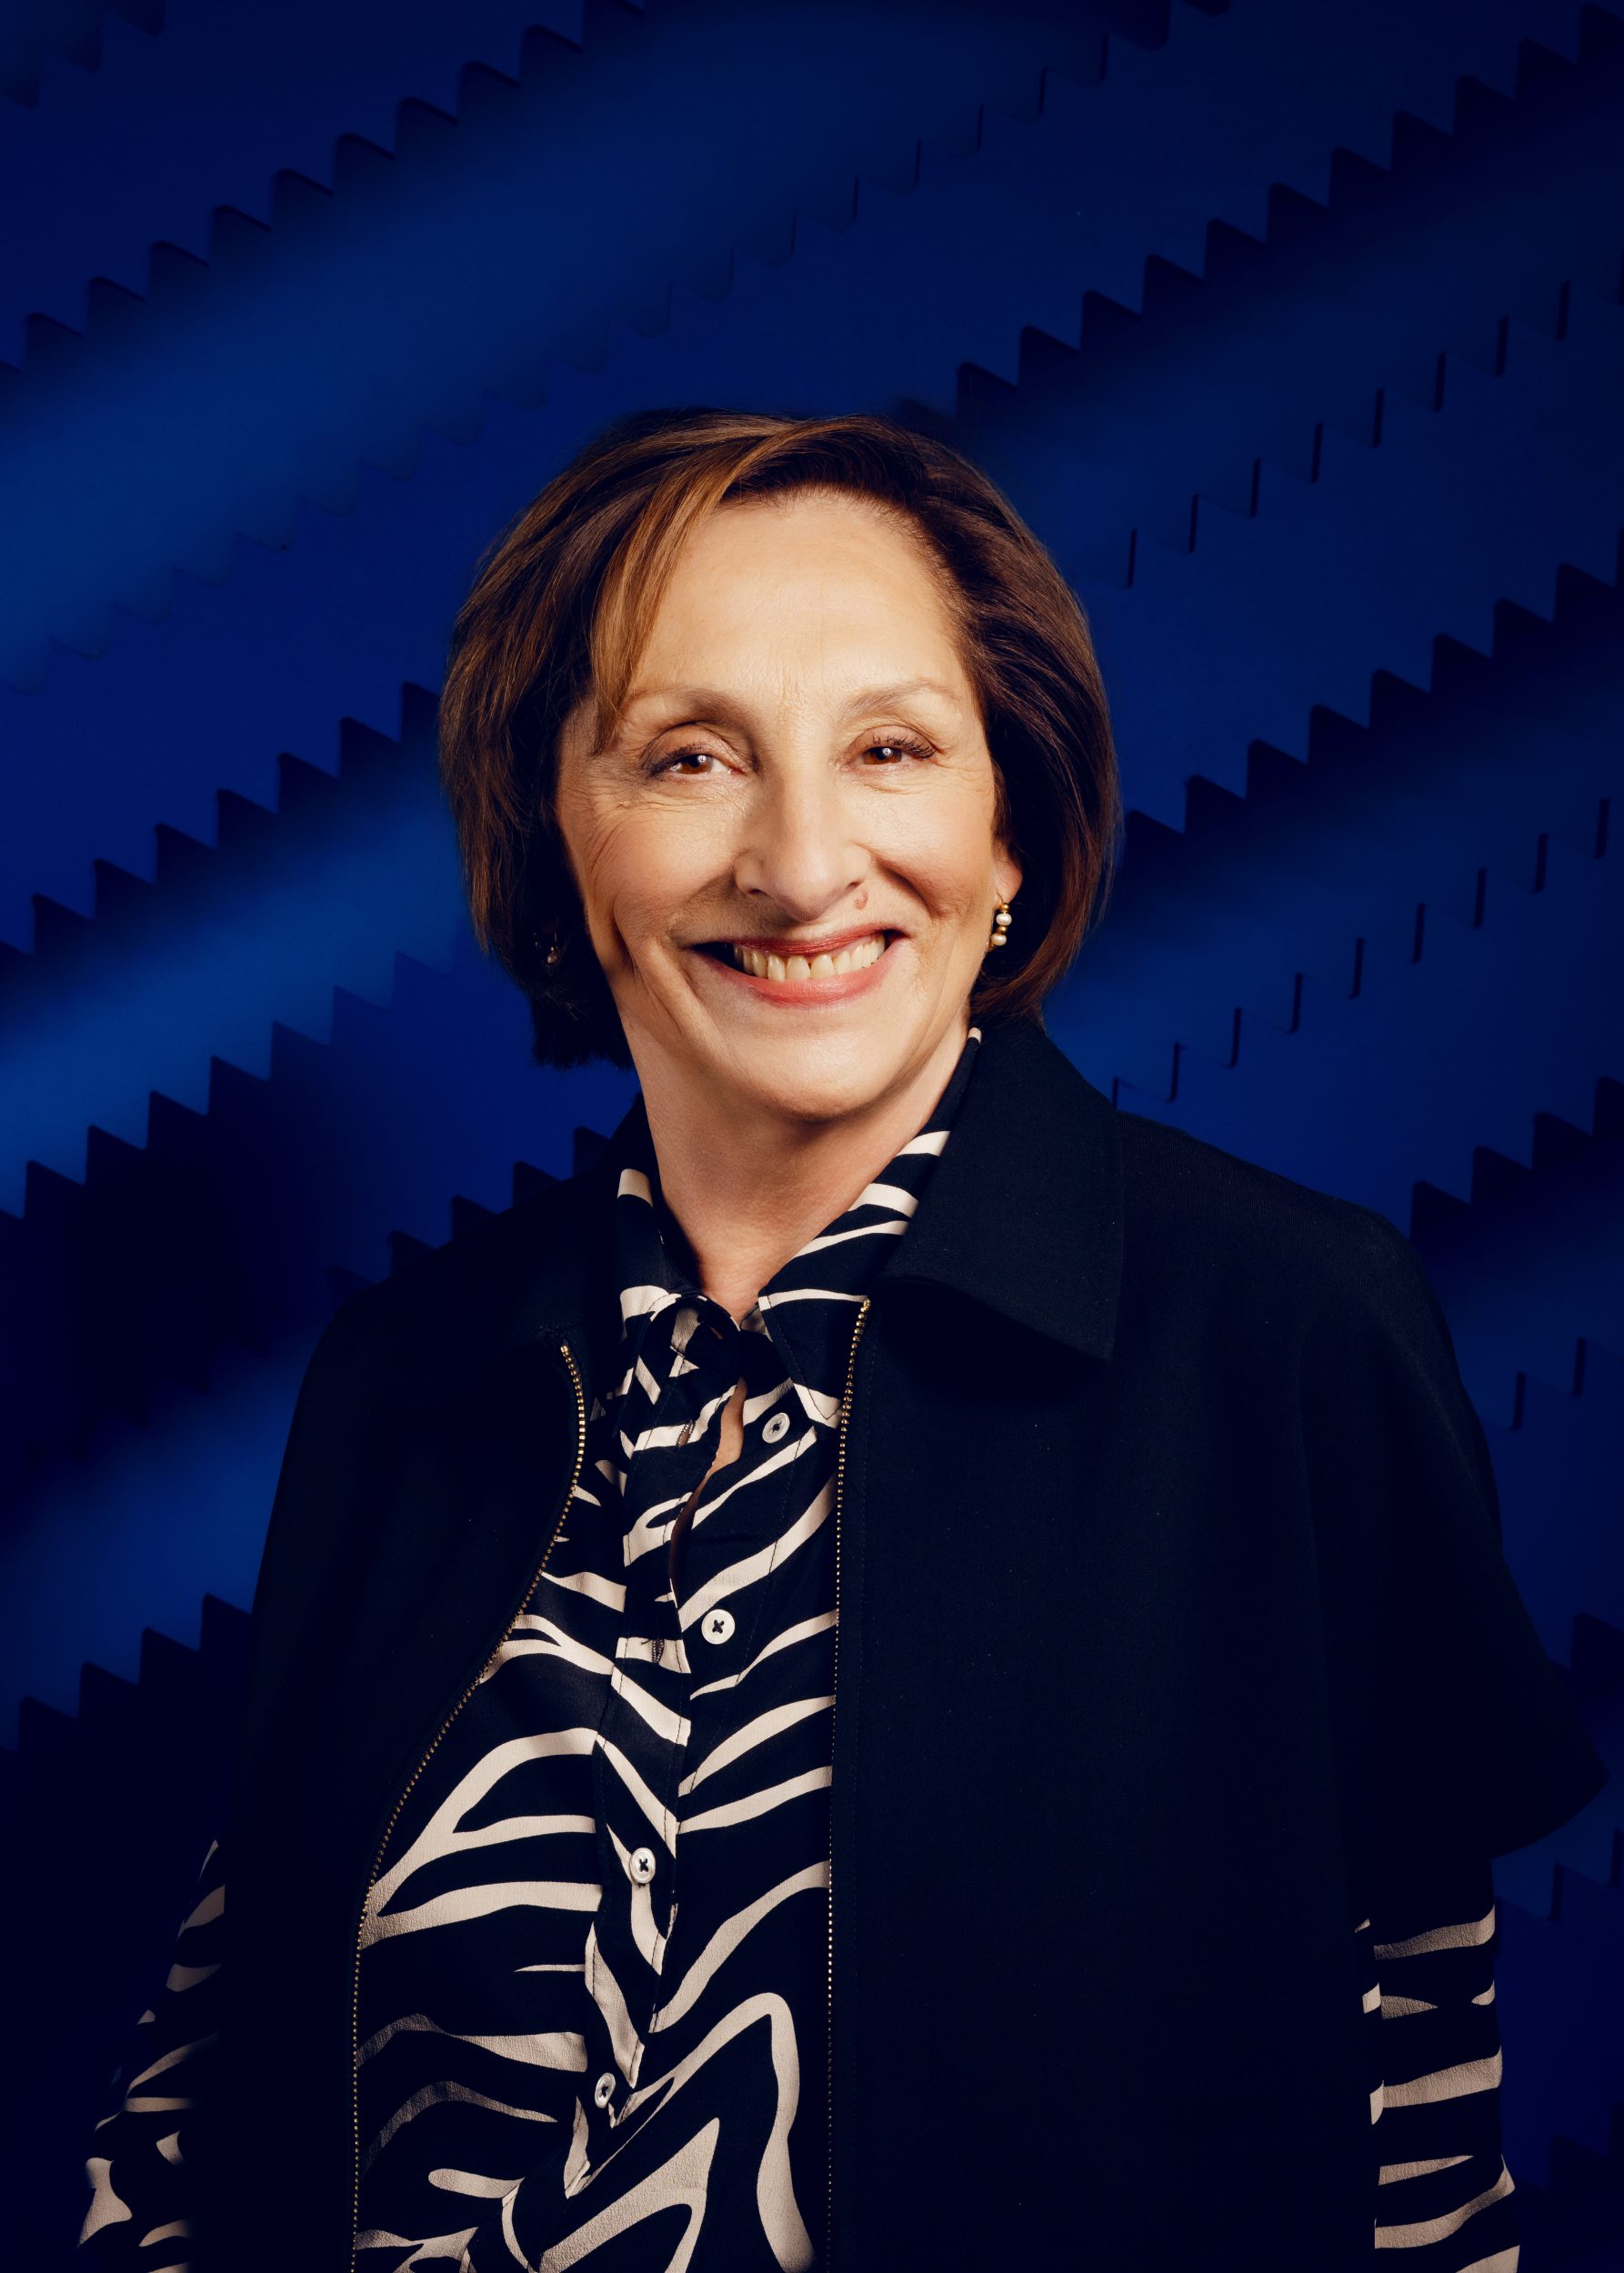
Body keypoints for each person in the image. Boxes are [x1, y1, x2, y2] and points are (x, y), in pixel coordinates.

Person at [79, 408, 1608, 2272]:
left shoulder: (1289, 1334)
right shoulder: (402, 1379)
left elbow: (1418, 2155)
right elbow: (205, 2111)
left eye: (888, 747)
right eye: (689, 756)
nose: (802, 865)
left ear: (1010, 829)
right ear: (557, 838)